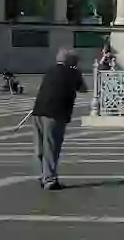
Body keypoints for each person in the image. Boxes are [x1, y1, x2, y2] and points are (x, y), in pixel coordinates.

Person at [31, 50, 87, 190]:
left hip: (38, 111)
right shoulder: (73, 73)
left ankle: (43, 175)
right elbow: (83, 89)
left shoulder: (50, 70)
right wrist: (77, 72)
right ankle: (49, 180)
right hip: (55, 113)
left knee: (41, 146)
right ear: (71, 62)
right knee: (51, 146)